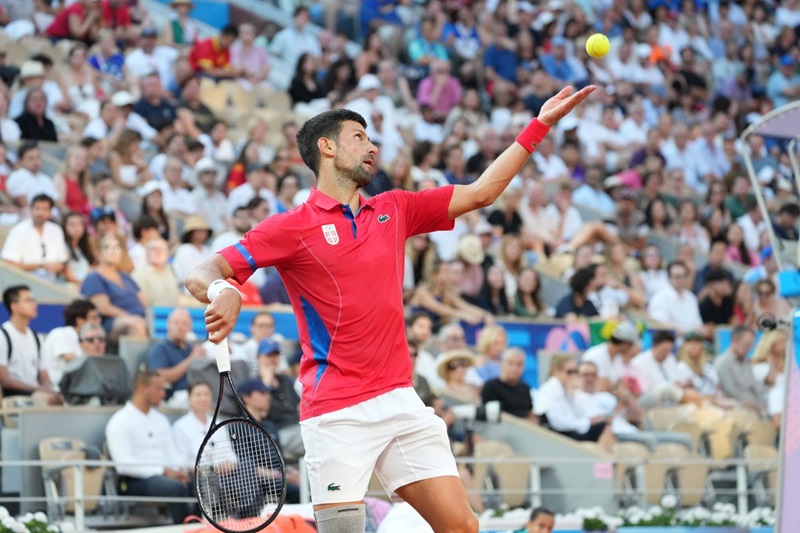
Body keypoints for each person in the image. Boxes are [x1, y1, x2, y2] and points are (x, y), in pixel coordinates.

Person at [187, 85, 593, 533]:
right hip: (337, 411)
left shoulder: (394, 209)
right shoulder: (291, 227)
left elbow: (481, 193)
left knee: (463, 528)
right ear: (326, 147)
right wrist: (224, 289)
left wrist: (540, 126)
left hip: (401, 399)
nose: (372, 146)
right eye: (358, 136)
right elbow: (203, 270)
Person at [105, 370, 191, 524]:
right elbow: (124, 466)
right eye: (159, 389)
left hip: (165, 477)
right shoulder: (119, 421)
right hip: (134, 482)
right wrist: (163, 471)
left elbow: (171, 453)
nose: (163, 394)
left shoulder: (161, 419)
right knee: (175, 488)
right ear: (143, 389)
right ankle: (187, 529)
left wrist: (180, 471)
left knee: (197, 483)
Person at [0, 286, 60, 403]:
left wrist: (50, 389)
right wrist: (39, 389)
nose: (34, 305)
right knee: (44, 399)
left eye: (33, 300)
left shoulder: (36, 337)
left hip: (34, 392)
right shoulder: (3, 335)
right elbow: (5, 380)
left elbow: (44, 375)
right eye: (28, 300)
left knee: (59, 399)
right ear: (14, 307)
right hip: (12, 394)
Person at [255, 338, 305, 461]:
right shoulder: (255, 384)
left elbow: (300, 405)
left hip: (297, 427)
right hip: (277, 433)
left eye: (275, 355)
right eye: (268, 355)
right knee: (315, 439)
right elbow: (261, 414)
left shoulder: (285, 379)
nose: (272, 359)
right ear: (259, 358)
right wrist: (266, 382)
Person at [1, 194, 69, 282]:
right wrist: (41, 266)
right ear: (31, 209)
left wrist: (58, 267)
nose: (40, 213)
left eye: (44, 209)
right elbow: (7, 263)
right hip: (24, 281)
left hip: (52, 281)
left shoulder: (56, 230)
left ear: (50, 212)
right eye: (37, 208)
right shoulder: (19, 230)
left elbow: (62, 262)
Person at [147, 307, 206, 401]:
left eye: (184, 323)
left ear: (190, 327)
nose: (180, 327)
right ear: (168, 325)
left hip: (197, 396)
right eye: (176, 322)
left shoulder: (192, 348)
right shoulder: (160, 348)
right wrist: (190, 360)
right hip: (172, 399)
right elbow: (159, 377)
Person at [41, 299, 99, 386]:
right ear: (80, 321)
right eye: (94, 318)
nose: (98, 321)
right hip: (55, 387)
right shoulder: (61, 333)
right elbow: (71, 359)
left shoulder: (87, 338)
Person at [480, 348, 536, 422]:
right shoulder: (491, 387)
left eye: (519, 365)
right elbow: (488, 416)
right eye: (510, 363)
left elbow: (530, 412)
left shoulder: (525, 388)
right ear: (501, 364)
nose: (515, 368)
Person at [715, 326, 762, 411]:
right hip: (737, 407)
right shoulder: (723, 363)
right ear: (735, 340)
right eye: (747, 345)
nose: (749, 349)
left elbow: (755, 385)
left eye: (751, 346)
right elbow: (730, 391)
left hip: (755, 404)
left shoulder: (745, 362)